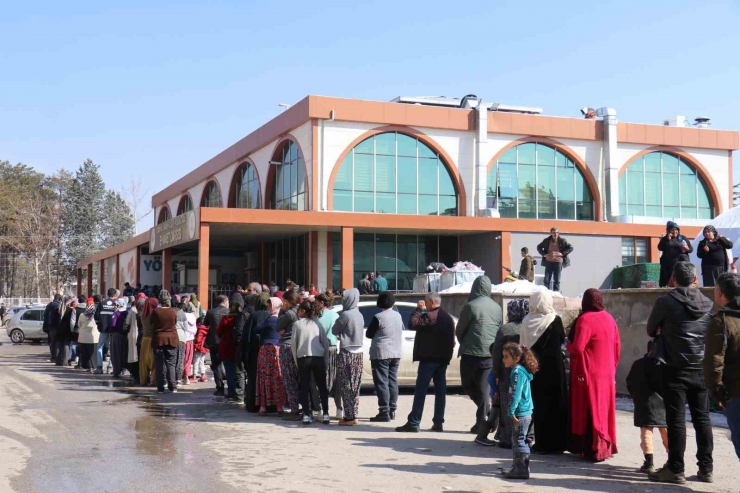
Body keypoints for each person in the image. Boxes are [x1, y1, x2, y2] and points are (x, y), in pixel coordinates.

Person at [647, 261, 713, 484]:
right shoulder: (708, 303)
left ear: (673, 279)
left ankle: (676, 468)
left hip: (674, 366)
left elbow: (650, 329)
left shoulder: (665, 302)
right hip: (701, 366)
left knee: (676, 420)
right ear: (695, 279)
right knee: (702, 418)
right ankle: (706, 468)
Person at [567, 288, 621, 461]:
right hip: (607, 371)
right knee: (604, 410)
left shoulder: (585, 320)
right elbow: (617, 347)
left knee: (589, 410)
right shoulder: (609, 318)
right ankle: (605, 446)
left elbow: (577, 348)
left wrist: (566, 345)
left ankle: (592, 449)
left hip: (590, 372)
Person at [396, 292, 456, 433]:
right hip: (442, 359)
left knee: (421, 390)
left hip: (429, 359)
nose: (425, 304)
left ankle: (414, 421)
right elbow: (452, 340)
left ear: (432, 302)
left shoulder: (430, 316)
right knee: (440, 392)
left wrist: (418, 309)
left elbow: (412, 324)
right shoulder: (447, 318)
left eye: (426, 302)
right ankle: (438, 422)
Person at [521, 290, 568, 454]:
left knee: (539, 405)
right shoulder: (554, 319)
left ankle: (542, 443)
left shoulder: (526, 321)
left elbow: (523, 347)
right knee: (556, 404)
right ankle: (558, 443)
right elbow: (562, 340)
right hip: (554, 369)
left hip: (536, 369)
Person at [456, 275, 502, 434]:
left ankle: (482, 422)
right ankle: (487, 414)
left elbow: (460, 330)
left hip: (471, 352)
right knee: (483, 389)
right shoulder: (497, 307)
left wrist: (464, 342)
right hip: (490, 354)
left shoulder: (470, 306)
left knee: (468, 385)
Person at [481, 299, 528, 448]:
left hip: (506, 374)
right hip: (524, 374)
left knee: (507, 406)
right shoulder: (529, 327)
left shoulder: (504, 329)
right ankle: (524, 437)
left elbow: (496, 354)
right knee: (524, 405)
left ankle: (507, 439)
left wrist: (496, 372)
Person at [704, 272, 740, 460]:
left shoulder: (721, 322)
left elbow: (714, 360)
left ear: (719, 293)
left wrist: (716, 390)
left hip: (735, 392)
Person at [627, 345, 669, 474]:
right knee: (666, 432)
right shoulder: (665, 365)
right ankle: (672, 459)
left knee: (646, 433)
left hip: (644, 403)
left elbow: (630, 382)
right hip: (664, 404)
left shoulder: (638, 364)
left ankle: (649, 462)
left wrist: (636, 396)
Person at [501, 342, 538, 480]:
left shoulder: (517, 372)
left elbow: (516, 393)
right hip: (525, 412)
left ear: (516, 358)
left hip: (520, 413)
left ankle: (521, 469)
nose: (503, 359)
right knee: (519, 439)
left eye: (506, 356)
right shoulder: (521, 370)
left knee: (518, 440)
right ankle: (518, 467)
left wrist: (511, 411)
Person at [292, 300, 331, 425]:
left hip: (303, 357)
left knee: (305, 386)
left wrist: (296, 362)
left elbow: (294, 345)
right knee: (322, 386)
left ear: (303, 311)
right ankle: (325, 413)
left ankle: (307, 414)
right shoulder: (317, 324)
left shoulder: (297, 324)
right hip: (318, 357)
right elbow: (325, 343)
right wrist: (326, 361)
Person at [366, 291, 404, 422]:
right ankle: (392, 409)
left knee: (382, 382)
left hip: (381, 353)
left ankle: (384, 411)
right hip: (396, 352)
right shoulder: (398, 315)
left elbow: (369, 334)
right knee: (392, 381)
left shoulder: (378, 317)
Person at [332, 288, 365, 426]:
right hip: (359, 353)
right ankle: (354, 414)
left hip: (346, 353)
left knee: (346, 385)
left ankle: (348, 417)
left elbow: (334, 330)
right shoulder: (359, 314)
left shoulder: (345, 315)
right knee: (355, 386)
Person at [254, 297, 287, 415]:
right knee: (278, 377)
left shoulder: (268, 321)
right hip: (278, 350)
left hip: (265, 350)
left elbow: (256, 329)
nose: (268, 307)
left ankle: (263, 406)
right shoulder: (282, 320)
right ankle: (279, 407)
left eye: (269, 305)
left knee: (264, 377)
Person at [317, 293, 343, 419]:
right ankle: (339, 409)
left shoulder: (319, 316)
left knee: (320, 380)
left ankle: (321, 409)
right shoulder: (336, 314)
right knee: (335, 379)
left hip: (322, 349)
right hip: (334, 348)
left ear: (321, 303)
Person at [277, 290, 301, 419]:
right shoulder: (301, 311)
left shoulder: (289, 314)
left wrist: (281, 311)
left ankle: (294, 410)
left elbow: (278, 328)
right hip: (299, 346)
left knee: (289, 378)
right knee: (299, 378)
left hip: (287, 346)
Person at [151, 290, 180, 393]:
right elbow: (175, 323)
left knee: (159, 364)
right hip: (172, 338)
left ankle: (160, 387)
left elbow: (152, 323)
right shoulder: (173, 311)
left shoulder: (155, 312)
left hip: (158, 339)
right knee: (171, 364)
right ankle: (173, 386)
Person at [216, 299, 243, 401]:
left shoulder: (225, 318)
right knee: (239, 371)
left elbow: (218, 332)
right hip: (237, 346)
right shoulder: (241, 318)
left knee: (229, 370)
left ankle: (231, 391)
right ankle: (239, 391)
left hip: (226, 345)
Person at [204, 295, 230, 396]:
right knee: (228, 364)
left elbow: (205, 324)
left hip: (213, 341)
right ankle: (230, 387)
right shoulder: (229, 311)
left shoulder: (211, 312)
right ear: (225, 301)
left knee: (216, 365)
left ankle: (220, 388)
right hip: (225, 341)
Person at [536, 227, 573, 292]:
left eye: (557, 232)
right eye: (554, 233)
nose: (555, 234)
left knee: (557, 279)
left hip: (558, 261)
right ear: (551, 233)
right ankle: (545, 292)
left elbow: (570, 247)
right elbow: (539, 247)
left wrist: (562, 254)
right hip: (549, 261)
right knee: (547, 279)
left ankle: (556, 293)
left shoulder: (562, 240)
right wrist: (544, 255)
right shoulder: (547, 240)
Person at [657, 221, 693, 288]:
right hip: (668, 265)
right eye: (672, 230)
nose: (674, 231)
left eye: (676, 230)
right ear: (668, 231)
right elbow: (660, 247)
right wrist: (667, 240)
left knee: (679, 281)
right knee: (668, 283)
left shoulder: (682, 238)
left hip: (680, 264)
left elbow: (691, 249)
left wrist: (687, 249)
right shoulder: (665, 239)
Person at [94, 288, 119, 374]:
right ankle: (110, 367)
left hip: (103, 329)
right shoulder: (116, 304)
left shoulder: (101, 303)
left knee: (99, 347)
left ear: (107, 294)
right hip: (113, 329)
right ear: (115, 295)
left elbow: (96, 317)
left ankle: (100, 367)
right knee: (112, 348)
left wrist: (99, 325)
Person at [125, 295, 145, 384]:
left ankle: (135, 374)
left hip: (133, 334)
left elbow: (127, 322)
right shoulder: (147, 310)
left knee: (133, 355)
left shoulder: (132, 309)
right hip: (143, 334)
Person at [139, 297, 159, 386]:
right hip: (153, 339)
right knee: (154, 361)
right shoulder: (155, 315)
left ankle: (143, 380)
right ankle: (154, 380)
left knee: (144, 361)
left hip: (145, 339)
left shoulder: (142, 315)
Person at [76, 299, 99, 372]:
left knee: (85, 352)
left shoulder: (82, 315)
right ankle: (94, 366)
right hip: (93, 337)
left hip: (83, 336)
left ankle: (88, 366)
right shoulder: (95, 315)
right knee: (93, 353)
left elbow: (78, 324)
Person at [109, 297, 130, 377]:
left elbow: (113, 324)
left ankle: (117, 370)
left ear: (118, 305)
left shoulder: (116, 313)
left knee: (116, 353)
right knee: (124, 353)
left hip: (116, 335)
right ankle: (124, 369)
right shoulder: (127, 312)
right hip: (125, 335)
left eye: (116, 304)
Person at [56, 298, 77, 366]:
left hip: (61, 329)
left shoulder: (64, 309)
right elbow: (71, 322)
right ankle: (65, 361)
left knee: (60, 345)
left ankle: (59, 361)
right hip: (67, 330)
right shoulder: (72, 310)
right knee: (66, 345)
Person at [181, 303, 197, 385]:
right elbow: (195, 330)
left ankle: (184, 376)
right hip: (191, 339)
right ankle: (186, 376)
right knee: (189, 359)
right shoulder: (193, 317)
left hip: (183, 339)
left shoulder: (182, 316)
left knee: (183, 358)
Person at [43, 294, 62, 362]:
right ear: (59, 299)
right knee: (58, 342)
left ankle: (53, 357)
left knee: (52, 342)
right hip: (58, 327)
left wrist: (46, 326)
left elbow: (45, 316)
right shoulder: (61, 306)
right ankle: (57, 357)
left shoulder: (49, 306)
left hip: (50, 327)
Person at [193, 317, 209, 383]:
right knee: (202, 362)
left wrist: (195, 341)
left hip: (199, 347)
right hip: (205, 348)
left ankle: (194, 375)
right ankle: (203, 375)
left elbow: (198, 339)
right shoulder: (207, 329)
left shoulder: (200, 329)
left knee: (196, 361)